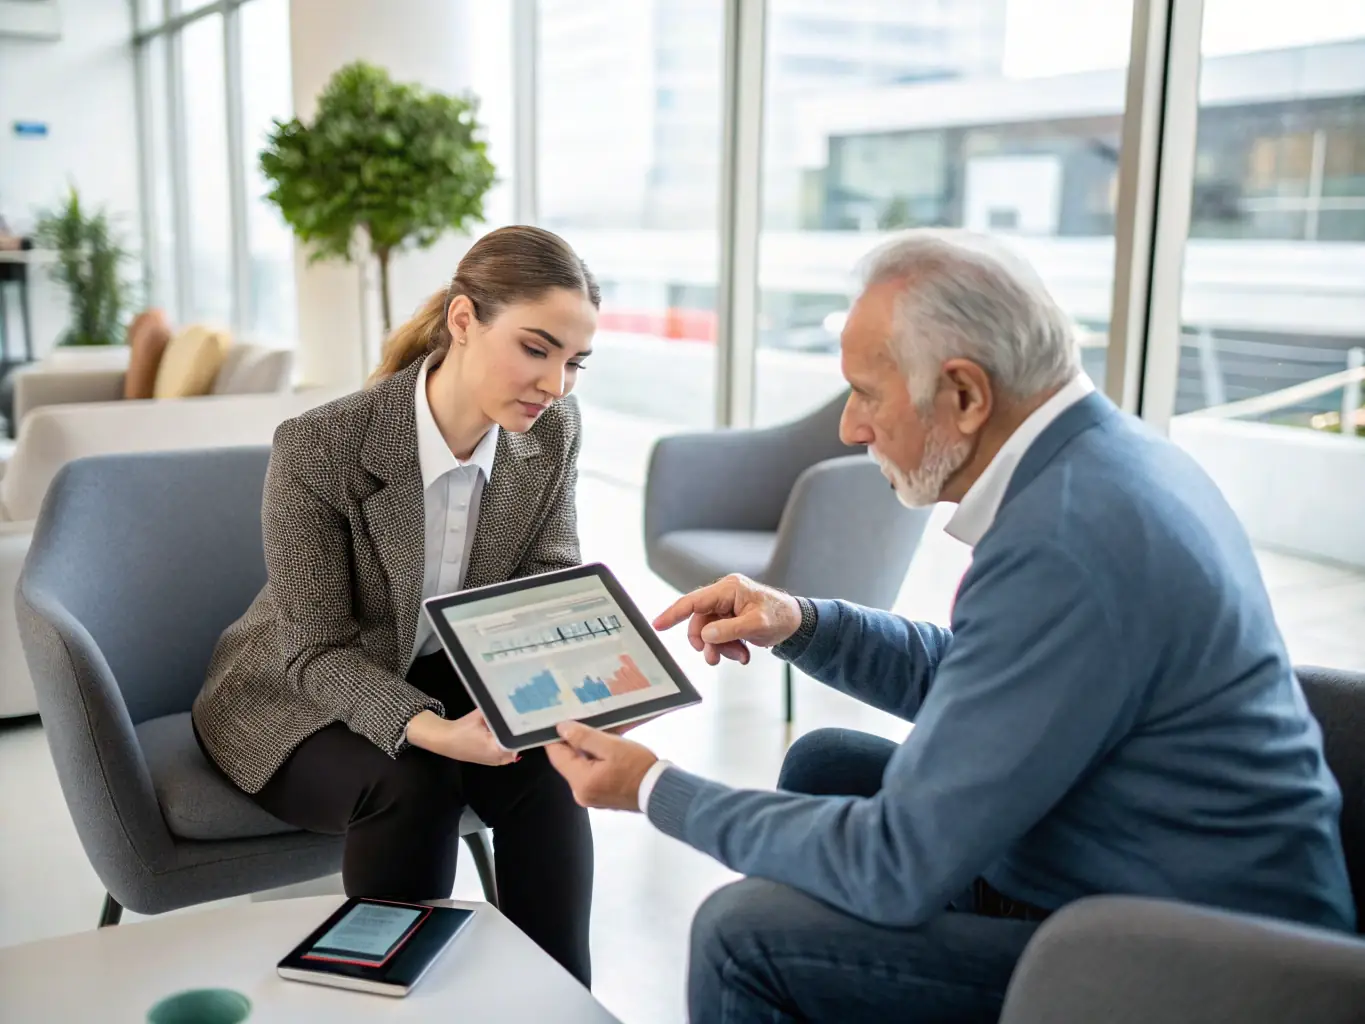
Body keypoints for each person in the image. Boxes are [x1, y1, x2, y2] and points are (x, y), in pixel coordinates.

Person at [544, 230, 1356, 1021]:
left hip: (1187, 957)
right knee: (831, 761)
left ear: (964, 395)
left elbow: (893, 864)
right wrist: (800, 622)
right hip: (1129, 862)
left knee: (743, 936)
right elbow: (984, 676)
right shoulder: (1101, 461)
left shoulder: (1067, 540)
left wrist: (651, 787)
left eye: (866, 393)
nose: (849, 429)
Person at [192, 225, 600, 985]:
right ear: (462, 321)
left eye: (574, 362)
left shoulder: (554, 434)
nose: (556, 386)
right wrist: (438, 733)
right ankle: (385, 1000)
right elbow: (314, 650)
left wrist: (586, 688)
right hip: (291, 689)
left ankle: (562, 997)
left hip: (434, 665)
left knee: (547, 771)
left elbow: (546, 574)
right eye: (536, 349)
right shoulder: (322, 446)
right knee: (410, 779)